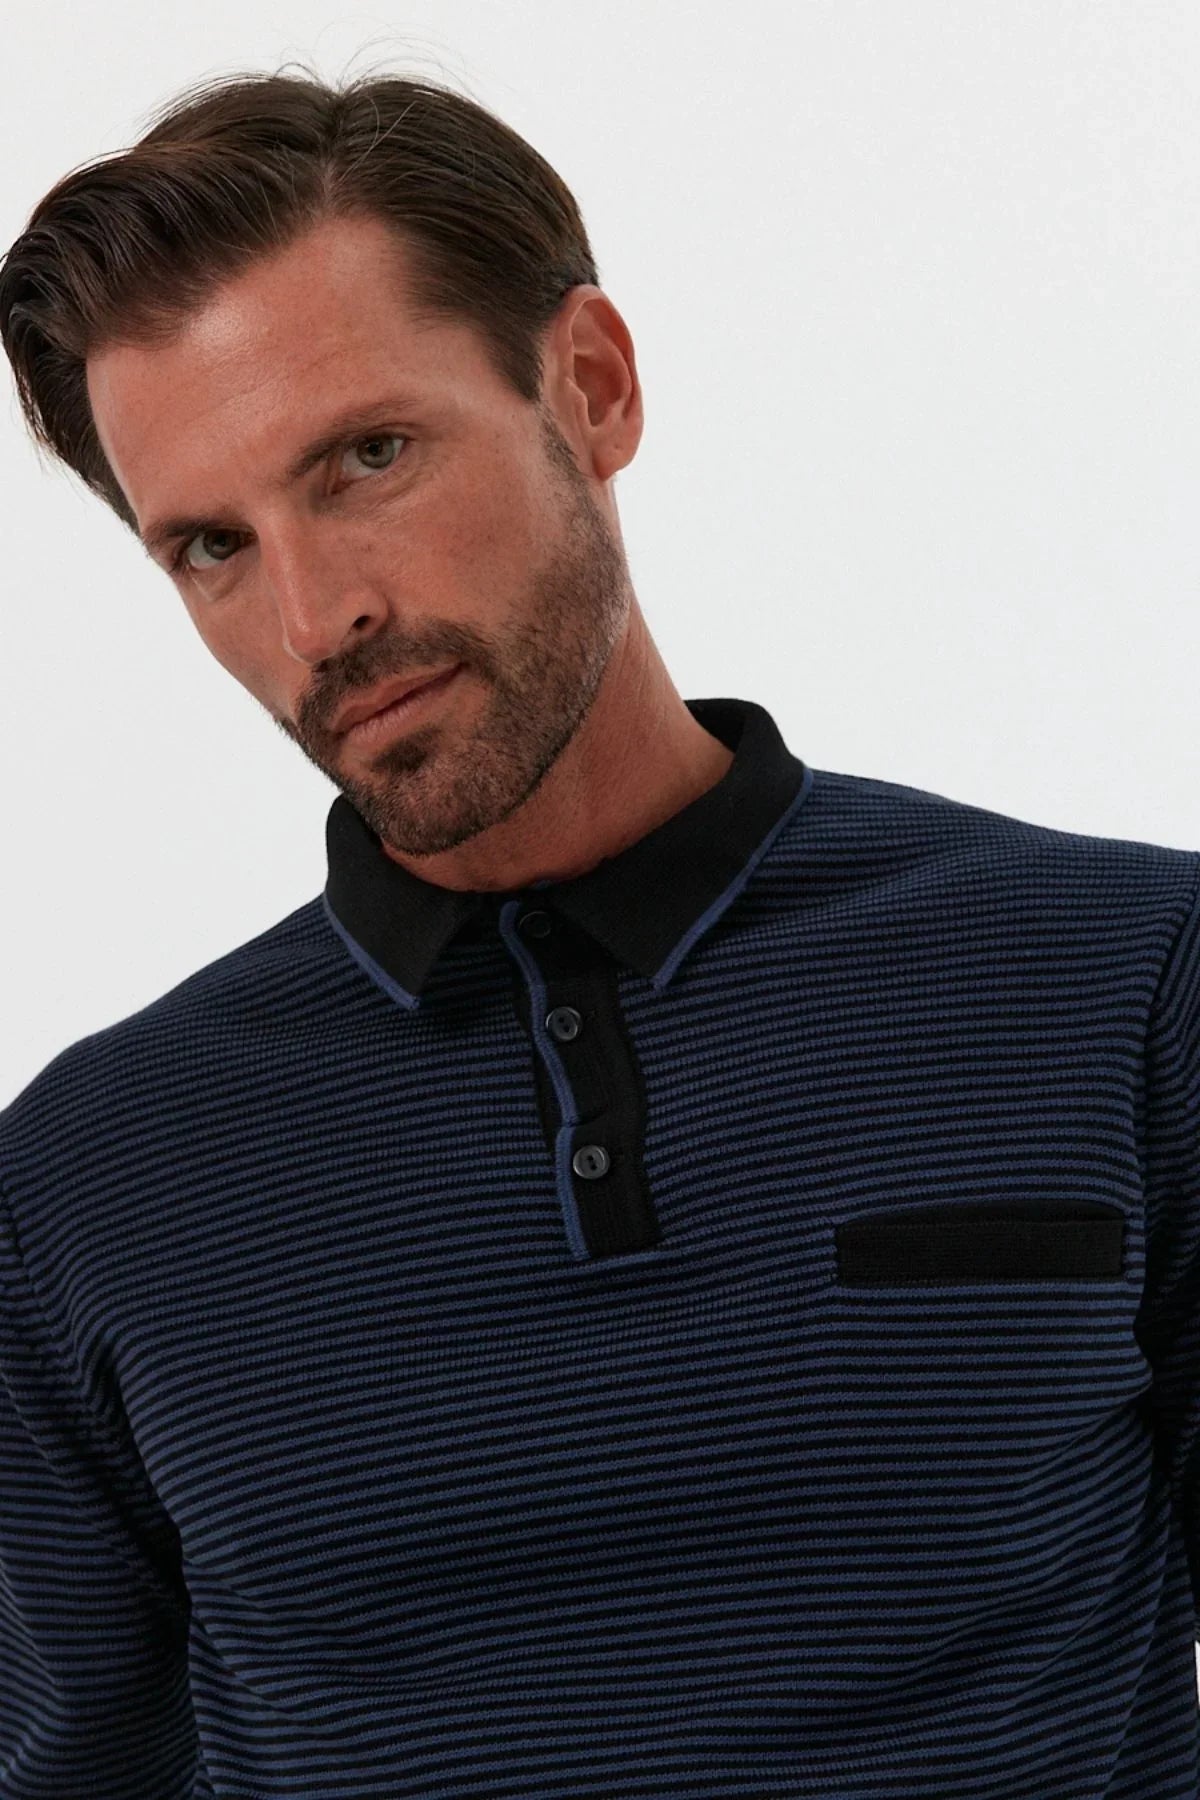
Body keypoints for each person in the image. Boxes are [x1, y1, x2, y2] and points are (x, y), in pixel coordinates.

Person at [0, 62, 1197, 1800]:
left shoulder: (1123, 980)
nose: (317, 616)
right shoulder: (80, 1189)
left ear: (593, 387)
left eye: (368, 457)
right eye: (210, 546)